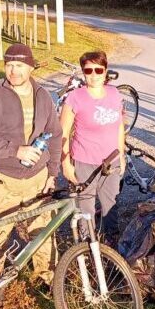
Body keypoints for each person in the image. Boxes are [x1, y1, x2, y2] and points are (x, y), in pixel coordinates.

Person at [0, 43, 61, 283]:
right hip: (0, 178)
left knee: (42, 232)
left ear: (30, 67)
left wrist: (52, 174)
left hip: (37, 179)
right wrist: (16, 151)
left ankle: (44, 279)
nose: (13, 71)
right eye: (9, 65)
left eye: (19, 65)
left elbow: (55, 134)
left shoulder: (43, 95)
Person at [59, 51, 126, 243]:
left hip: (110, 161)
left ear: (105, 72)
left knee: (110, 205)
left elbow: (120, 125)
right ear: (83, 72)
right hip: (84, 162)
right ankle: (87, 250)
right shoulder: (74, 98)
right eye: (89, 70)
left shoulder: (114, 94)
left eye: (99, 70)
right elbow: (63, 132)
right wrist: (66, 164)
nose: (94, 74)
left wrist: (121, 155)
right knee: (86, 210)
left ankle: (110, 248)